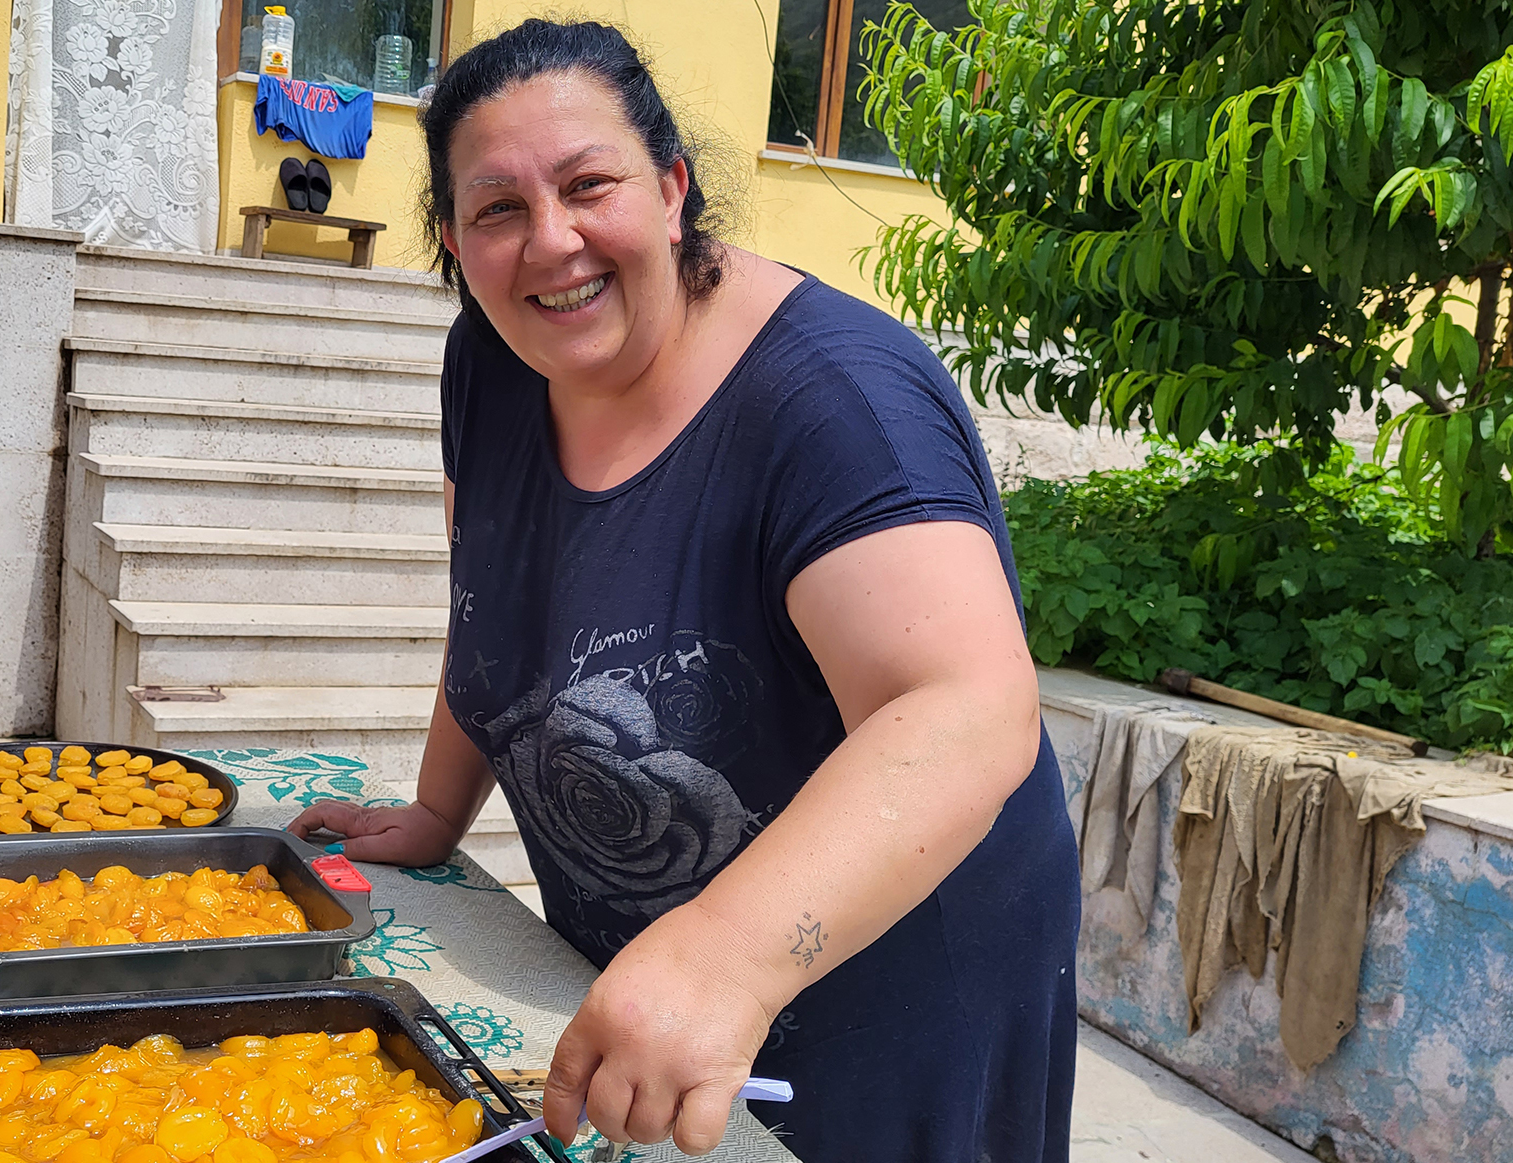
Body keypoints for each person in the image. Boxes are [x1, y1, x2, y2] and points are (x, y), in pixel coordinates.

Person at [286, 18, 1080, 1163]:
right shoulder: (493, 361)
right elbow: (488, 608)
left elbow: (967, 707)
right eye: (498, 208)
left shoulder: (835, 404)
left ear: (671, 189)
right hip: (661, 983)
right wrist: (436, 811)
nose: (550, 241)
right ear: (454, 240)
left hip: (894, 992)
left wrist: (726, 957)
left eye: (587, 185)